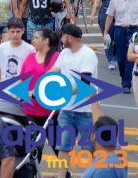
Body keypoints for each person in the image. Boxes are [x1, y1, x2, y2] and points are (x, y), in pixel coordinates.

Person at [51, 23, 97, 168]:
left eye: (62, 35)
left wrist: (62, 92)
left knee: (88, 150)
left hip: (86, 111)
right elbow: (54, 71)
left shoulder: (87, 54)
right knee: (63, 148)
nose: (60, 38)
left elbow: (84, 83)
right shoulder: (64, 53)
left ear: (69, 37)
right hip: (66, 110)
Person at [102, 0, 138, 93]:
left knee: (131, 57)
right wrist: (106, 33)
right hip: (120, 30)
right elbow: (110, 16)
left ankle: (127, 83)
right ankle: (124, 77)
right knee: (121, 58)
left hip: (134, 31)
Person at [0, 18, 34, 84]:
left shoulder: (30, 49)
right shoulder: (2, 47)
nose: (15, 35)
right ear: (8, 31)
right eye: (12, 31)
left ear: (23, 31)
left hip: (20, 87)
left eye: (18, 31)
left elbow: (31, 73)